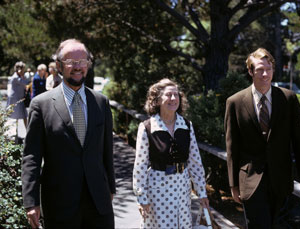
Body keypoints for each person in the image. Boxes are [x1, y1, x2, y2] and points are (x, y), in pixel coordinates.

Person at [22, 39, 116, 228]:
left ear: (88, 64)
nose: (77, 66)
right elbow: (31, 155)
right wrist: (31, 201)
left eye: (82, 61)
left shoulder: (101, 102)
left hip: (99, 202)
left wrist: (110, 187)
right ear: (58, 65)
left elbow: (107, 150)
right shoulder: (41, 105)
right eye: (70, 61)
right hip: (59, 204)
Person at [224, 48, 300, 228]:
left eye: (269, 69)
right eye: (259, 70)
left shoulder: (288, 99)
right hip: (250, 181)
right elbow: (232, 146)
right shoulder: (235, 102)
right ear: (250, 71)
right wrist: (233, 185)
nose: (265, 74)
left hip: (281, 179)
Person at [133, 78, 209, 228]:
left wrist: (202, 192)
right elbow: (140, 165)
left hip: (182, 188)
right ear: (157, 100)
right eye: (168, 95)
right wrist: (142, 198)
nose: (173, 98)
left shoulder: (186, 125)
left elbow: (195, 161)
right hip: (157, 191)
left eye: (176, 95)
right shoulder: (148, 127)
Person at [6, 61, 29, 127]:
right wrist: (23, 76)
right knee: (17, 116)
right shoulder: (16, 77)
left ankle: (26, 132)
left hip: (19, 98)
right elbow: (25, 84)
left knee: (23, 115)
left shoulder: (19, 76)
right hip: (15, 98)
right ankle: (17, 133)